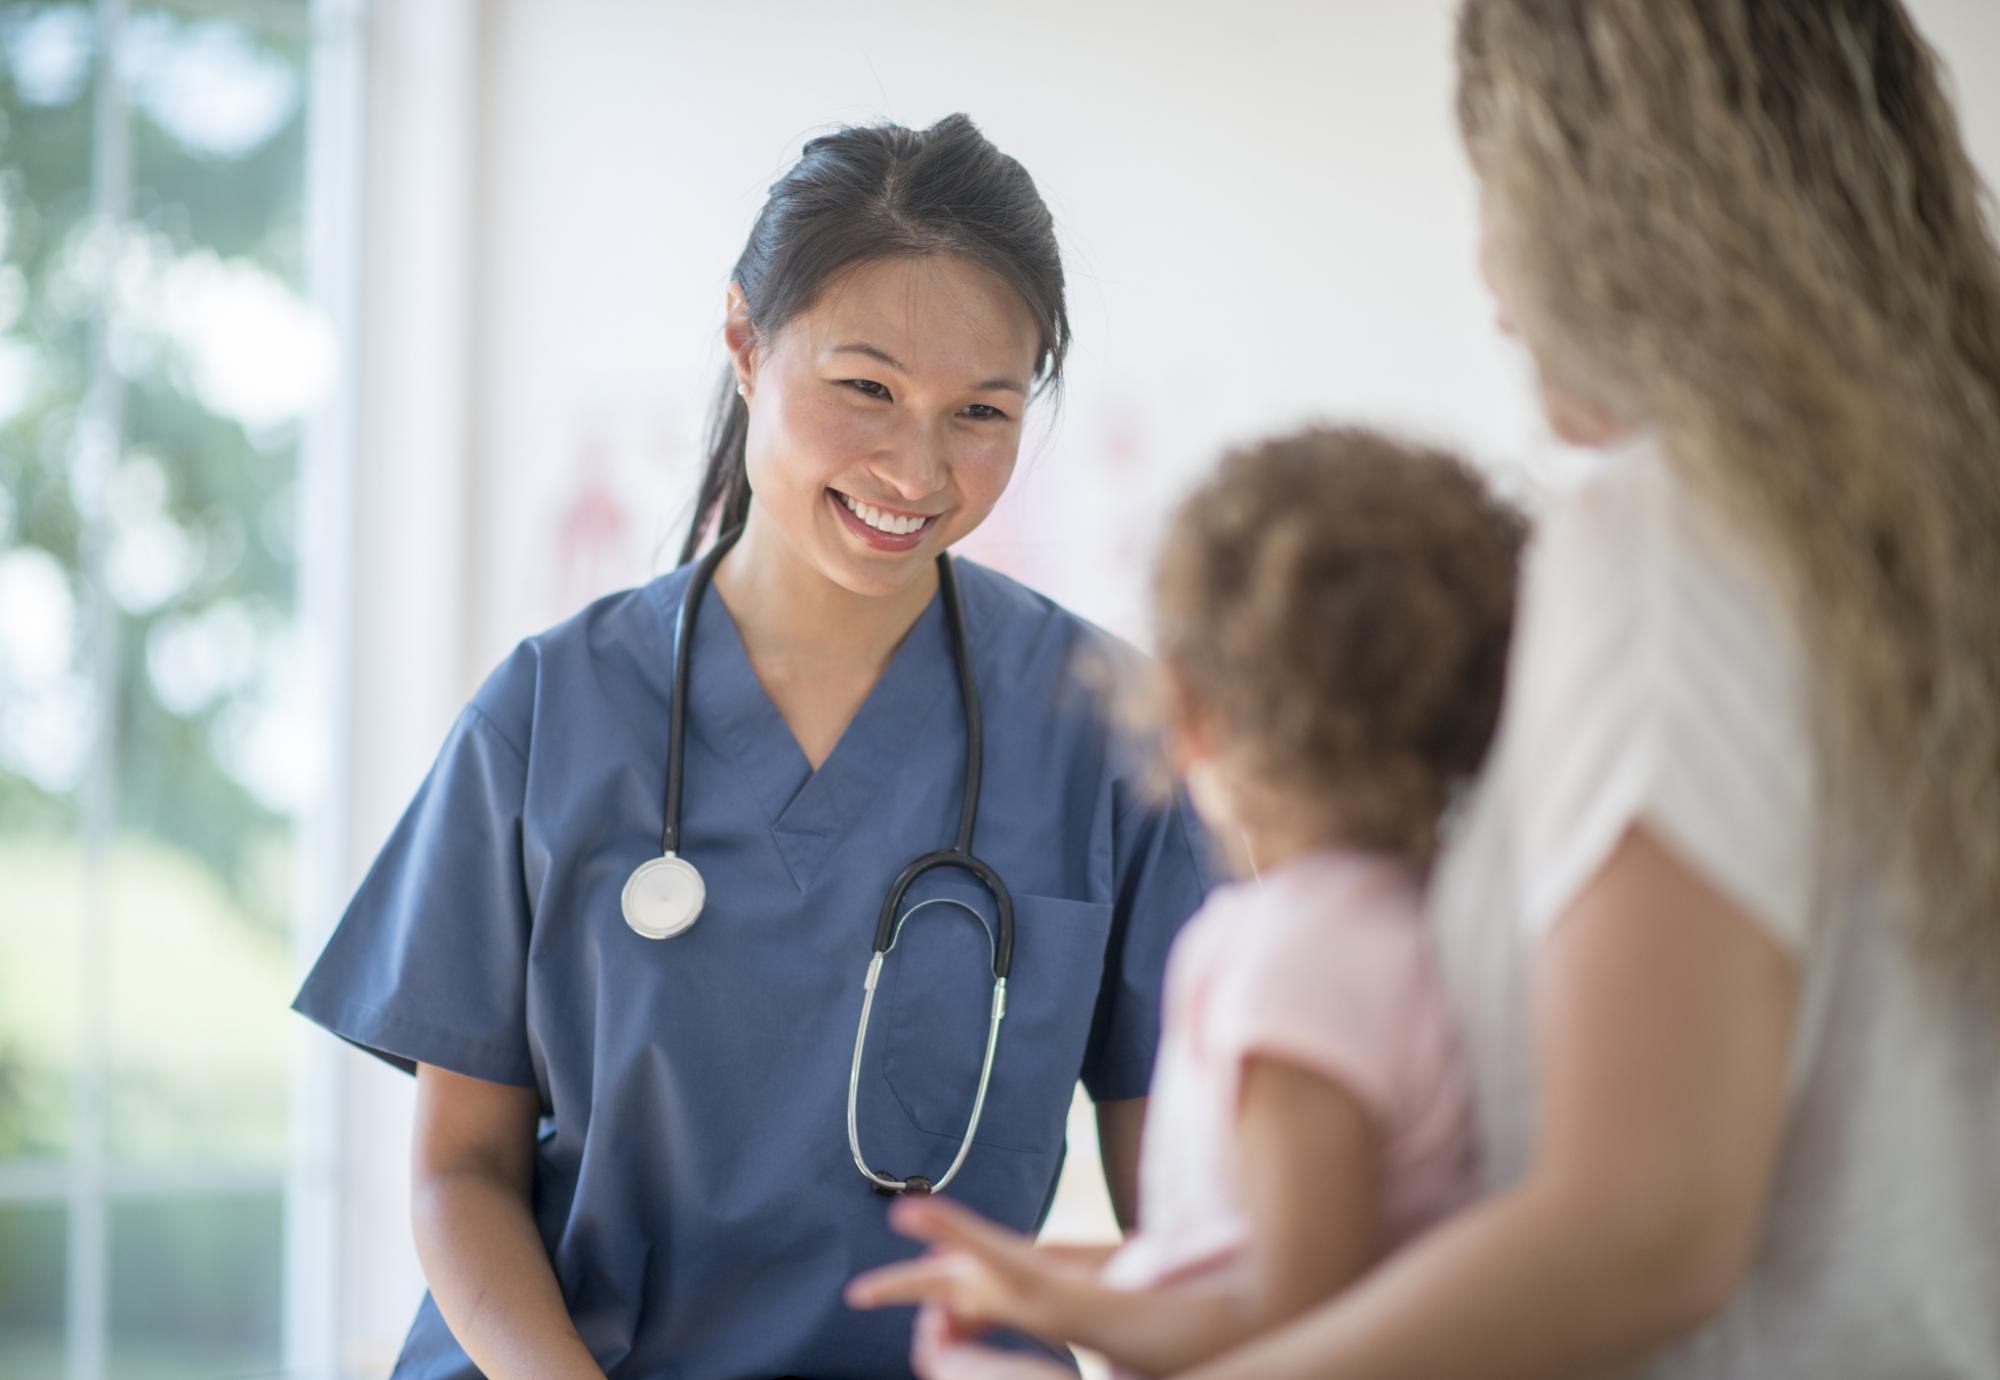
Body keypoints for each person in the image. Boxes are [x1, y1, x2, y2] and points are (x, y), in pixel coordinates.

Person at [892, 3, 2000, 1377]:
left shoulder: (1673, 542)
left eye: (1499, 194)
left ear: (1606, 197)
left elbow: (1641, 1227)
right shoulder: (1931, 537)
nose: (1490, 282)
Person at [291, 114, 1212, 1380]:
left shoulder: (1108, 733)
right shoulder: (550, 711)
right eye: (865, 389)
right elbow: (460, 1172)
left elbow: (1187, 1220)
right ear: (743, 342)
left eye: (982, 411)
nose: (918, 465)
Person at [846, 428, 1523, 1375]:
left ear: (1189, 712)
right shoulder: (1439, 923)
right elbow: (1264, 1260)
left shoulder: (1292, 963)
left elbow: (1292, 1322)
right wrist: (1050, 1286)